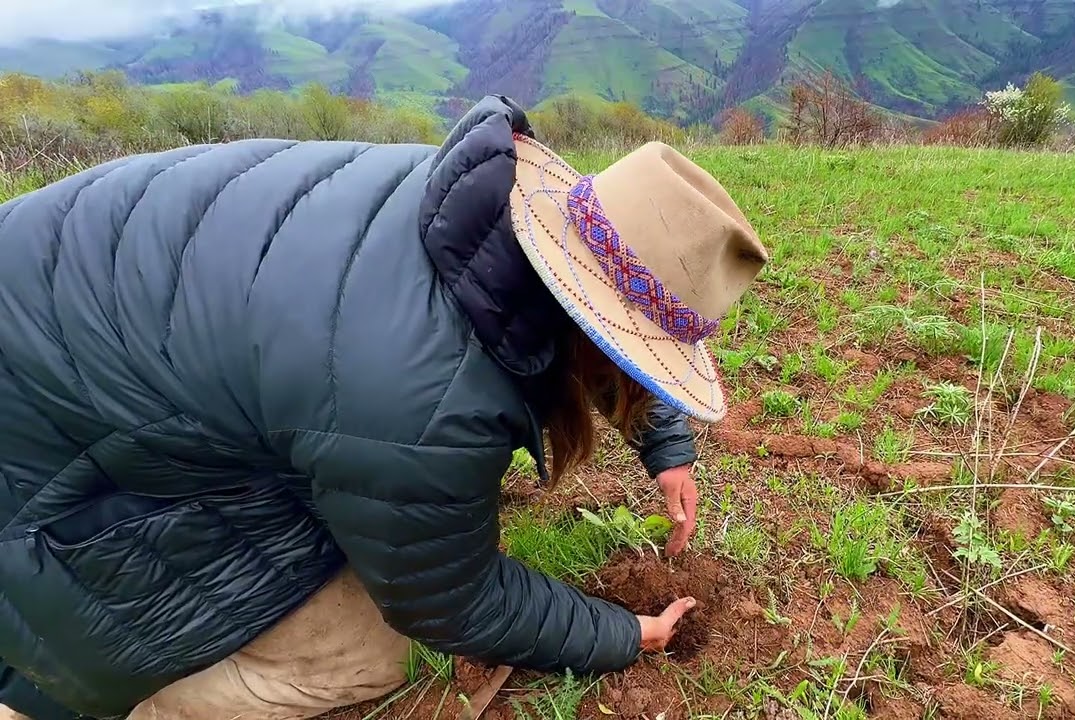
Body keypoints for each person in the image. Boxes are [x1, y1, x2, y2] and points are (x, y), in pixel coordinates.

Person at [0, 95, 767, 720]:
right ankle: (113, 700)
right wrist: (621, 634)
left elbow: (571, 310)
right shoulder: (422, 397)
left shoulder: (473, 204)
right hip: (45, 463)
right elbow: (452, 602)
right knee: (369, 649)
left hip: (62, 294)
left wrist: (664, 446)